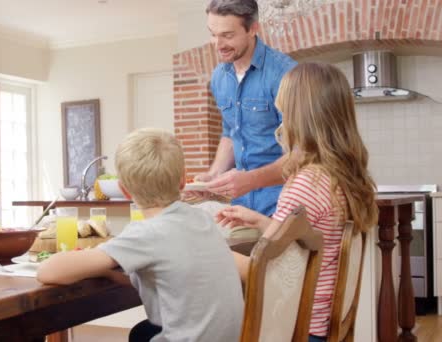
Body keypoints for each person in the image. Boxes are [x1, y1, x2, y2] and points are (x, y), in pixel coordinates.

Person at [216, 63, 379, 341]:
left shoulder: (305, 184)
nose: (281, 121)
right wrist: (261, 220)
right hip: (322, 326)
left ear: (297, 117)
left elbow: (266, 272)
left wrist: (206, 249)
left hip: (298, 329)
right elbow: (311, 240)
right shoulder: (339, 177)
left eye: (283, 111)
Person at [37, 128, 244, 342]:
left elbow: (48, 272)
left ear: (124, 190)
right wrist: (110, 273)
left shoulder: (146, 233)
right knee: (140, 333)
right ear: (183, 180)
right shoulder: (201, 219)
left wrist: (99, 261)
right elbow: (167, 274)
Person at [191, 0, 297, 216]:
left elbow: (303, 152)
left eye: (227, 35)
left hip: (283, 204)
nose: (218, 44)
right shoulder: (219, 77)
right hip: (241, 205)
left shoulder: (286, 74)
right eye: (213, 34)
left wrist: (250, 180)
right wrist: (214, 175)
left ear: (253, 29)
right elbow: (230, 132)